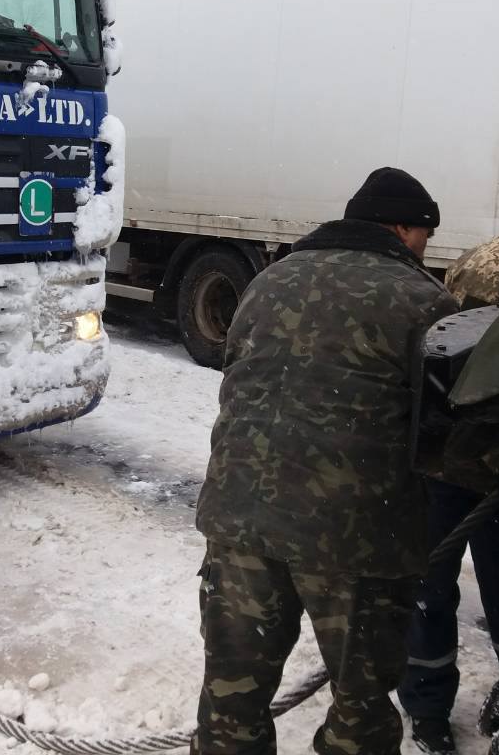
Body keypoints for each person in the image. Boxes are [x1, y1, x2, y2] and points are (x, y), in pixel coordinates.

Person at [193, 167, 458, 755]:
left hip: (238, 519)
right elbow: (447, 427)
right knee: (359, 709)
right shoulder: (425, 301)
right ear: (397, 227)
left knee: (231, 697)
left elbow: (238, 375)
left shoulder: (269, 281)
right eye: (423, 236)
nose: (424, 249)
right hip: (354, 538)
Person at [398, 228, 499, 755]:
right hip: (449, 464)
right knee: (429, 590)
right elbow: (453, 378)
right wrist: (483, 454)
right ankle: (426, 711)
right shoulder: (493, 273)